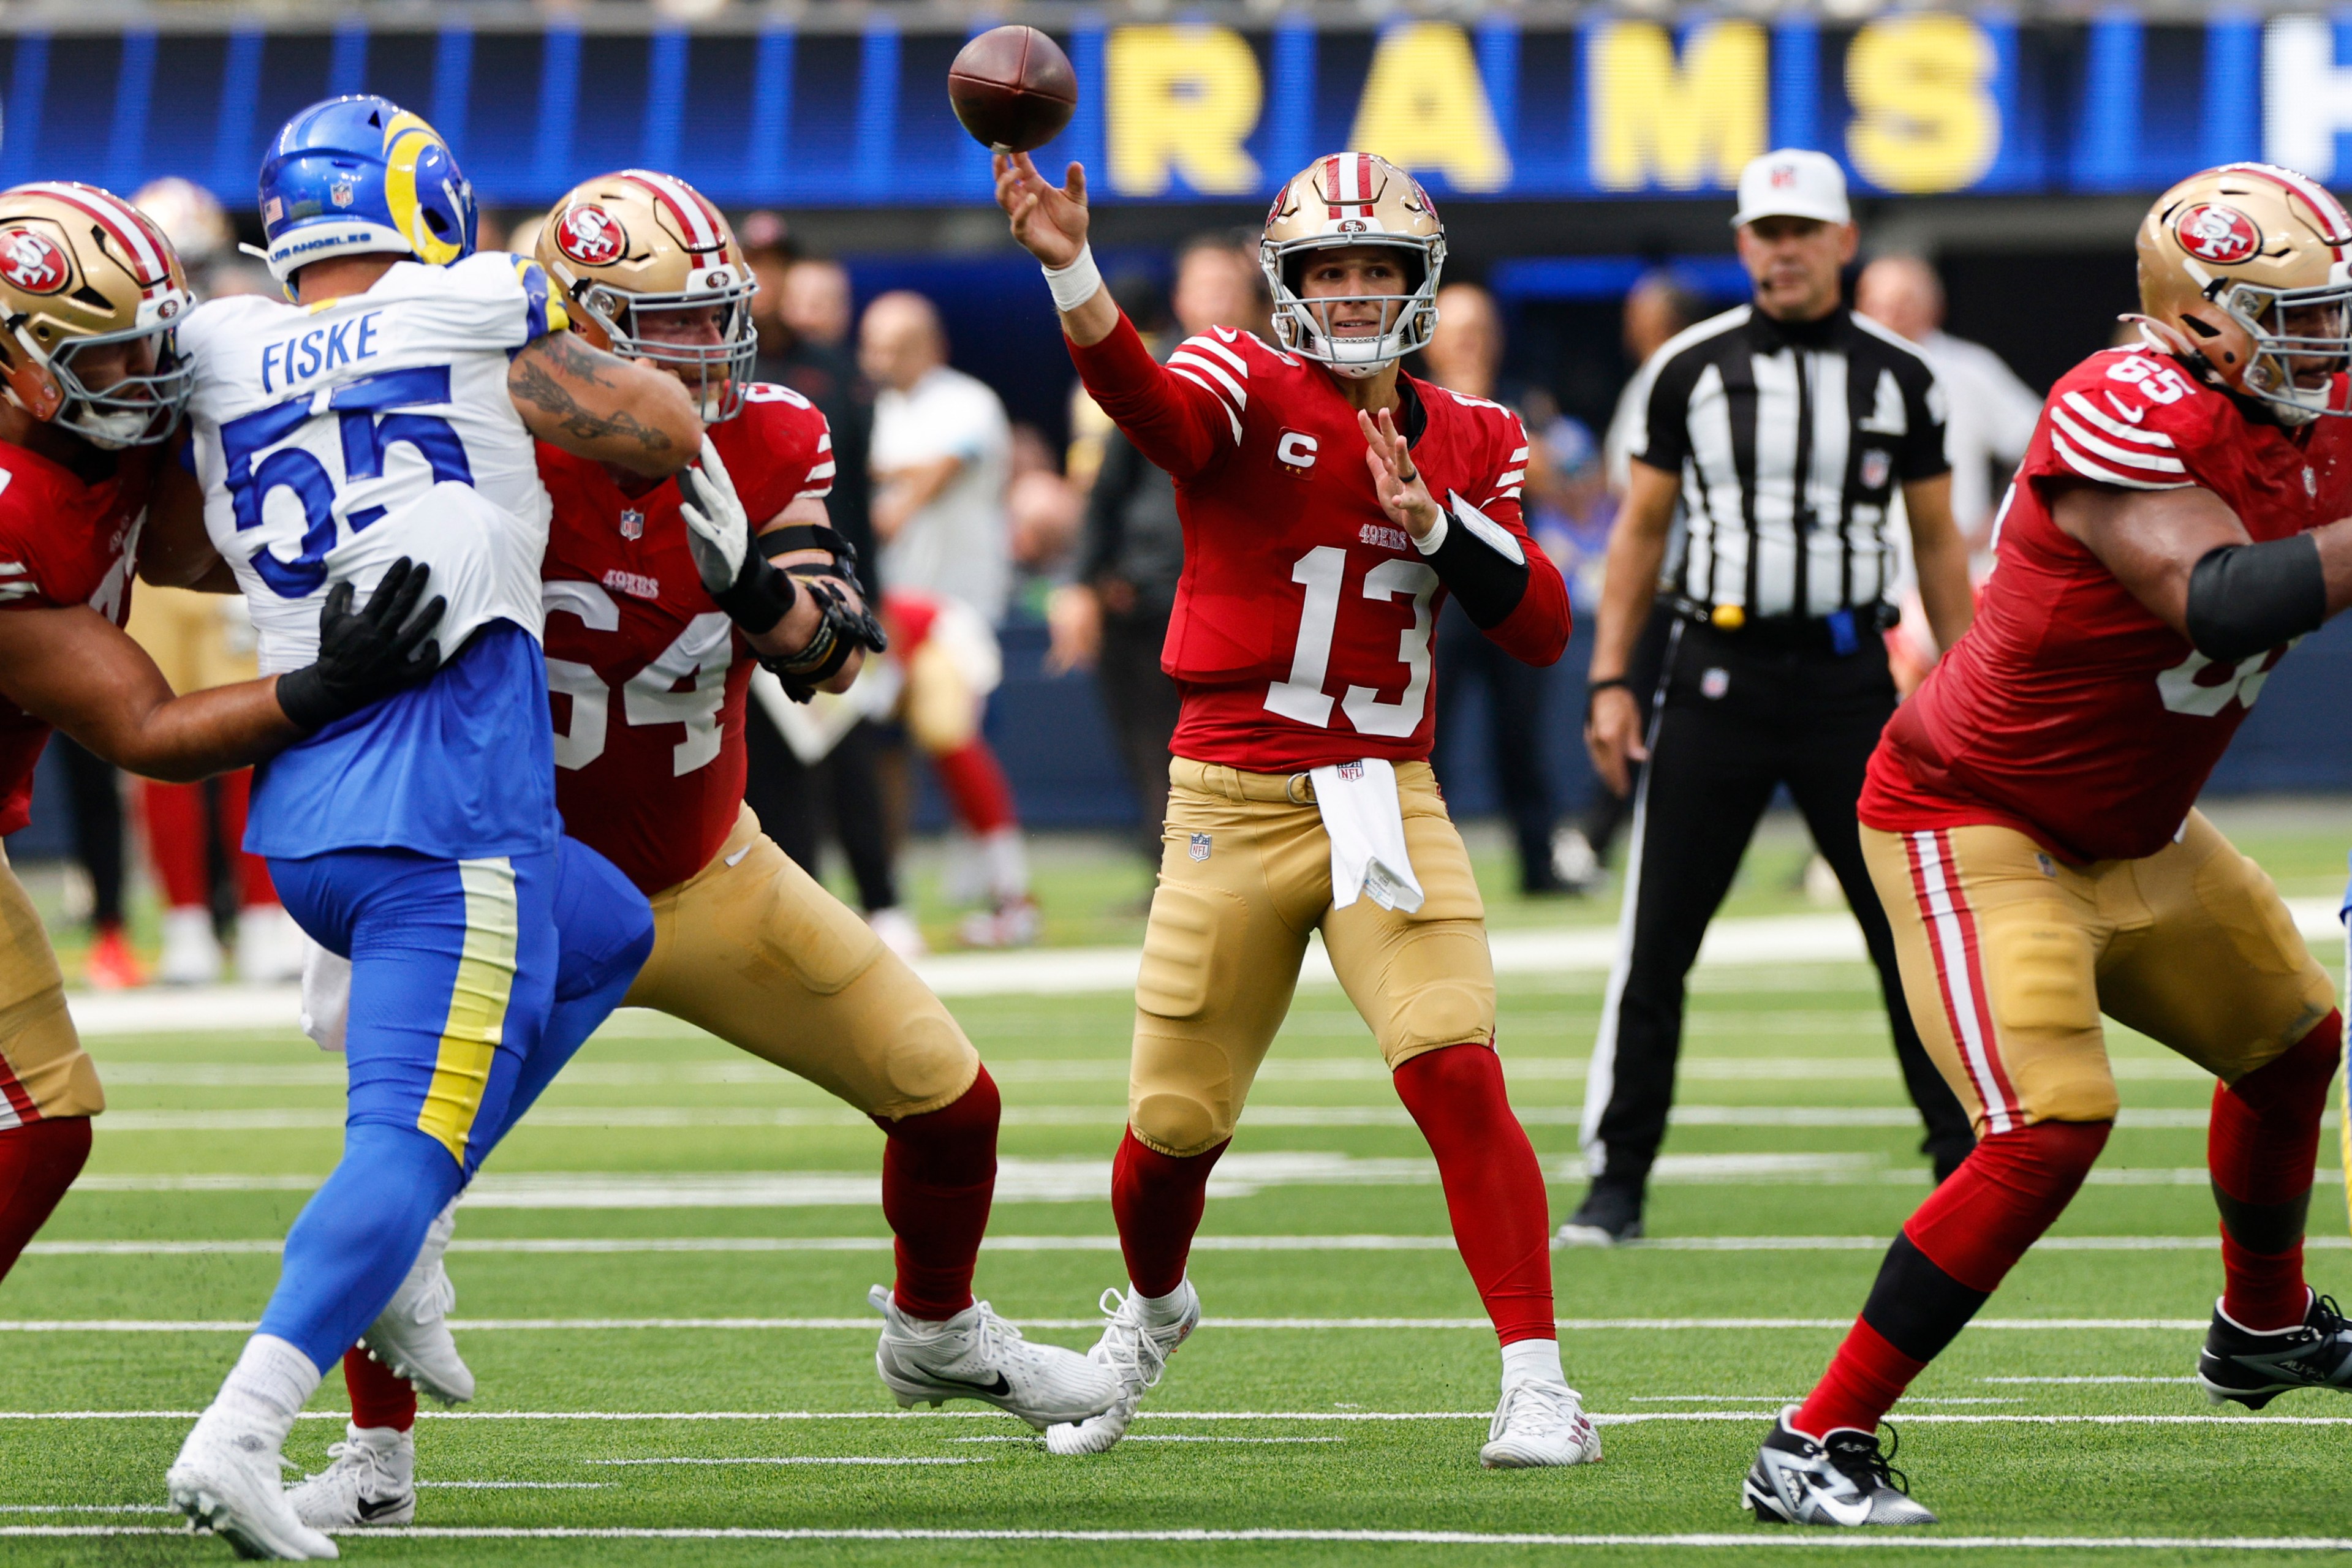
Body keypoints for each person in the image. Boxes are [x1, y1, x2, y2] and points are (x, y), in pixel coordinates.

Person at [284, 169, 1114, 1531]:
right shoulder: (479, 437)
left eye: (713, 319)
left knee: (950, 1098)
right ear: (580, 330)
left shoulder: (770, 433)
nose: (706, 355)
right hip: (521, 885)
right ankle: (376, 1462)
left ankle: (936, 1324)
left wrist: (755, 589)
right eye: (668, 329)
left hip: (708, 864)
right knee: (399, 1184)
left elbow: (835, 658)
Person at [1745, 160, 2352, 1527]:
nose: (2327, 344)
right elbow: (2214, 595)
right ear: (2198, 316)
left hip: (2134, 825)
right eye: (2296, 317)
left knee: (2289, 1042)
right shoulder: (2119, 402)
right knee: (2046, 1124)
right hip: (1976, 817)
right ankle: (1810, 1437)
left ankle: (2256, 1326)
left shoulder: (2317, 409)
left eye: (2334, 314)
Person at [155, 97, 713, 1559]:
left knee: (608, 927)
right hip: (446, 789)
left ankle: (406, 1232)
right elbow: (658, 431)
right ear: (425, 201)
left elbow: (171, 514)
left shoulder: (217, 340)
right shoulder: (474, 296)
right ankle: (245, 1425)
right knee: (399, 1137)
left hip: (317, 798)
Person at [1000, 148, 1592, 1468]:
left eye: (1374, 268)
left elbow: (1544, 625)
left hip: (1386, 795)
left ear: (1417, 282)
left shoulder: (1477, 436)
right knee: (1170, 1130)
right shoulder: (1237, 372)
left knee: (1452, 1058)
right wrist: (1071, 270)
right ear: (1287, 284)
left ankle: (1539, 1378)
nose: (1349, 292)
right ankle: (1151, 1316)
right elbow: (1146, 408)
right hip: (1228, 794)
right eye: (1327, 270)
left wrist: (1436, 525)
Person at [0, 179, 447, 1291]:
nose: (140, 375)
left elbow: (184, 556)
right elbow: (148, 728)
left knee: (43, 1120)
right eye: (105, 353)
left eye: (154, 342)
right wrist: (324, 686)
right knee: (40, 1120)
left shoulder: (87, 439)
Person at [1571, 149, 1979, 1249]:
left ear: (1843, 242)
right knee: (1656, 940)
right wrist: (1611, 677)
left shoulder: (1899, 377)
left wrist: (1964, 686)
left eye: (1802, 230)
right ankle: (1616, 1181)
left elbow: (1937, 545)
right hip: (1715, 674)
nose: (1781, 249)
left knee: (1905, 931)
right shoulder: (1686, 371)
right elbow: (1637, 538)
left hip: (1851, 683)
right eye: (1764, 230)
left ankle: (1959, 1162)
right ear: (1741, 242)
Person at [1049, 236, 1260, 872]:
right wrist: (1082, 584)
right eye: (1204, 286)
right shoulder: (1150, 378)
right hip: (1150, 598)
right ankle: (1172, 874)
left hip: (1249, 601)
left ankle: (1243, 874)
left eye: (1229, 286)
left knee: (1238, 754)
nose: (1217, 300)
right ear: (1179, 299)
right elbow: (1104, 493)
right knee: (1155, 750)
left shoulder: (1279, 378)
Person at [860, 290, 1037, 946]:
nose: (880, 357)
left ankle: (1009, 892)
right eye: (873, 344)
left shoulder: (966, 400)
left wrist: (874, 486)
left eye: (896, 344)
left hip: (953, 607)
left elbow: (939, 467)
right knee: (876, 754)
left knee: (953, 738)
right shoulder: (870, 408)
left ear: (930, 344)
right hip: (882, 609)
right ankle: (888, 895)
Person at [1421, 281, 1569, 897]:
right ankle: (1423, 867)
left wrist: (1480, 411)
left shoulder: (1519, 403)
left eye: (1478, 330)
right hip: (1436, 598)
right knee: (1428, 743)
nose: (1469, 343)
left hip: (1508, 592)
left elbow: (1553, 480)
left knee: (1521, 739)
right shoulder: (1411, 403)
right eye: (1457, 332)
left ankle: (1538, 864)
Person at [1565, 271, 1706, 888]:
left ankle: (1601, 835)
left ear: (1658, 320)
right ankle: (1615, 835)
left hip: (1667, 579)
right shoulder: (1698, 373)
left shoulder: (1664, 377)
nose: (1627, 323)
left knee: (1637, 708)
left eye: (1636, 312)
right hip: (1686, 576)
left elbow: (1630, 490)